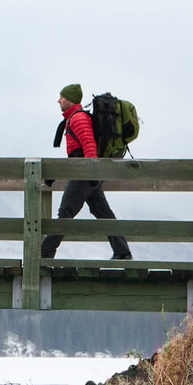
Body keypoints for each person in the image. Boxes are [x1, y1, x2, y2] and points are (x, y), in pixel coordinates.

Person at [40, 83, 132, 260]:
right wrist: (55, 175)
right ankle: (122, 252)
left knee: (65, 213)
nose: (58, 100)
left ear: (71, 99)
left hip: (85, 174)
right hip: (88, 174)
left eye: (62, 97)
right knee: (103, 213)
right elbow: (76, 155)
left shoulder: (78, 119)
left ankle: (43, 253)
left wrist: (91, 172)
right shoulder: (74, 118)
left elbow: (89, 147)